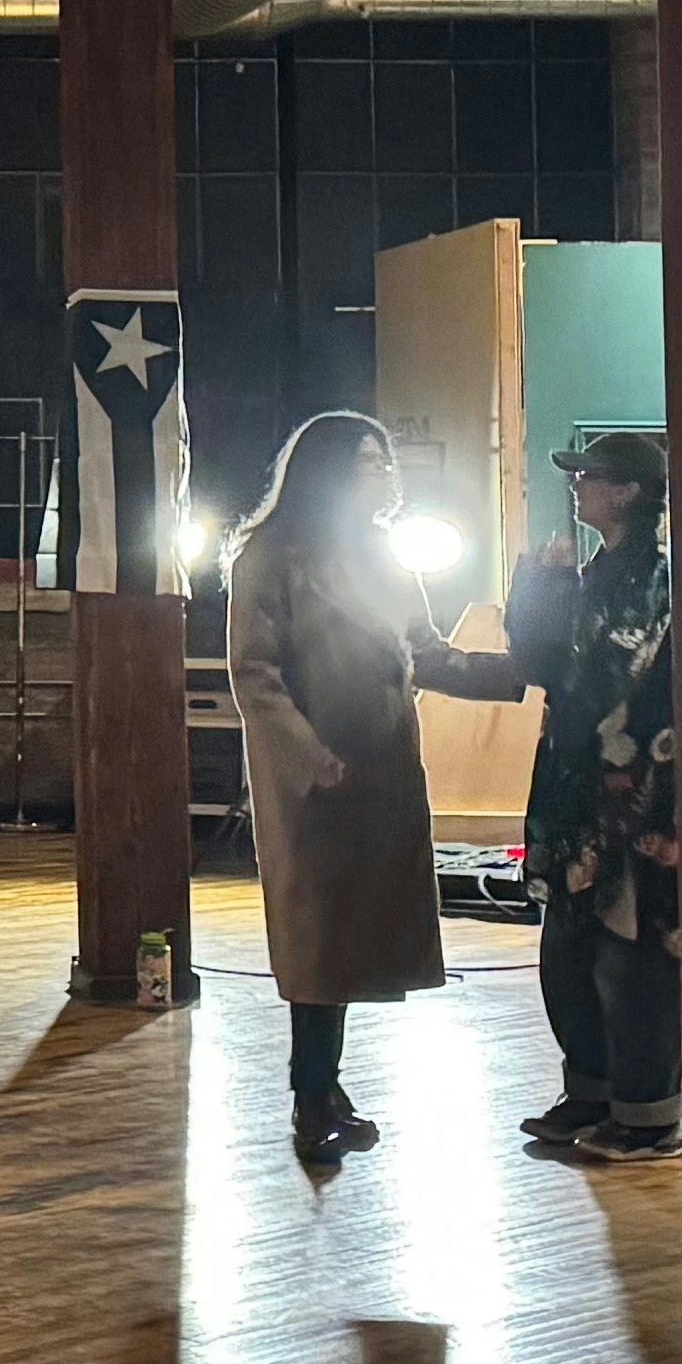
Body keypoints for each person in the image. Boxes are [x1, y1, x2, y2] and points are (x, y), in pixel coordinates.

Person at [417, 432, 680, 1163]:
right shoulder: (588, 574)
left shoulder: (656, 583)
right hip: (570, 793)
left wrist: (546, 596)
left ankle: (649, 1112)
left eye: (591, 476)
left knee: (632, 956)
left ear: (627, 492)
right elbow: (538, 665)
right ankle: (589, 1092)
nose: (578, 486)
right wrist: (537, 587)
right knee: (567, 950)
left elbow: (609, 674)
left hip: (634, 798)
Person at [224, 410, 445, 1170]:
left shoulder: (386, 556)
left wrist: (520, 669)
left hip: (381, 770)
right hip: (315, 781)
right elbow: (254, 672)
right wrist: (307, 753)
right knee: (316, 939)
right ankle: (310, 1094)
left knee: (355, 935)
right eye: (366, 461)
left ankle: (329, 1088)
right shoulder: (270, 553)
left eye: (386, 460)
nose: (384, 473)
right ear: (326, 471)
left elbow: (427, 650)